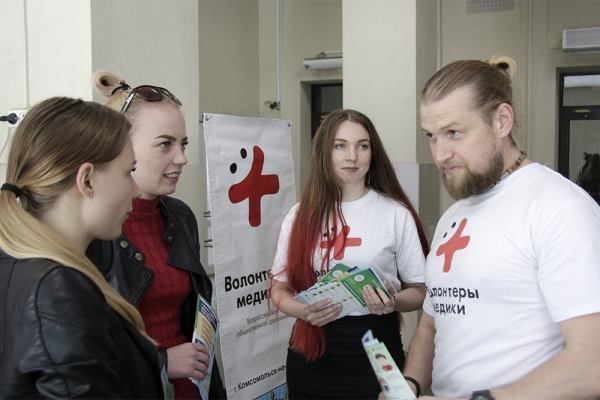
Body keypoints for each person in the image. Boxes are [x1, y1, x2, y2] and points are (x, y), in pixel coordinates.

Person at [401, 55, 600, 400]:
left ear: (501, 121)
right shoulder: (453, 216)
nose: (440, 154)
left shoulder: (559, 208)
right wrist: (408, 385)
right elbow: (433, 323)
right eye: (431, 136)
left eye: (453, 132)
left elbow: (592, 362)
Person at [0, 97, 164, 398]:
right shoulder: (57, 292)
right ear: (87, 180)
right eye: (128, 172)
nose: (136, 190)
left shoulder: (17, 262)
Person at [270, 109, 429, 399]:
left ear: (373, 152)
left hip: (376, 351)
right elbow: (279, 291)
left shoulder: (395, 214)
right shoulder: (300, 215)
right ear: (325, 152)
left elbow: (420, 291)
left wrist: (392, 302)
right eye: (340, 146)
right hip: (312, 354)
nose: (352, 156)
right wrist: (304, 311)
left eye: (362, 146)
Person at [87, 72, 226, 400]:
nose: (182, 158)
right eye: (165, 144)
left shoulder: (179, 217)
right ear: (123, 147)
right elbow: (82, 350)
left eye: (183, 144)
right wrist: (160, 361)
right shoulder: (94, 229)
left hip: (192, 387)